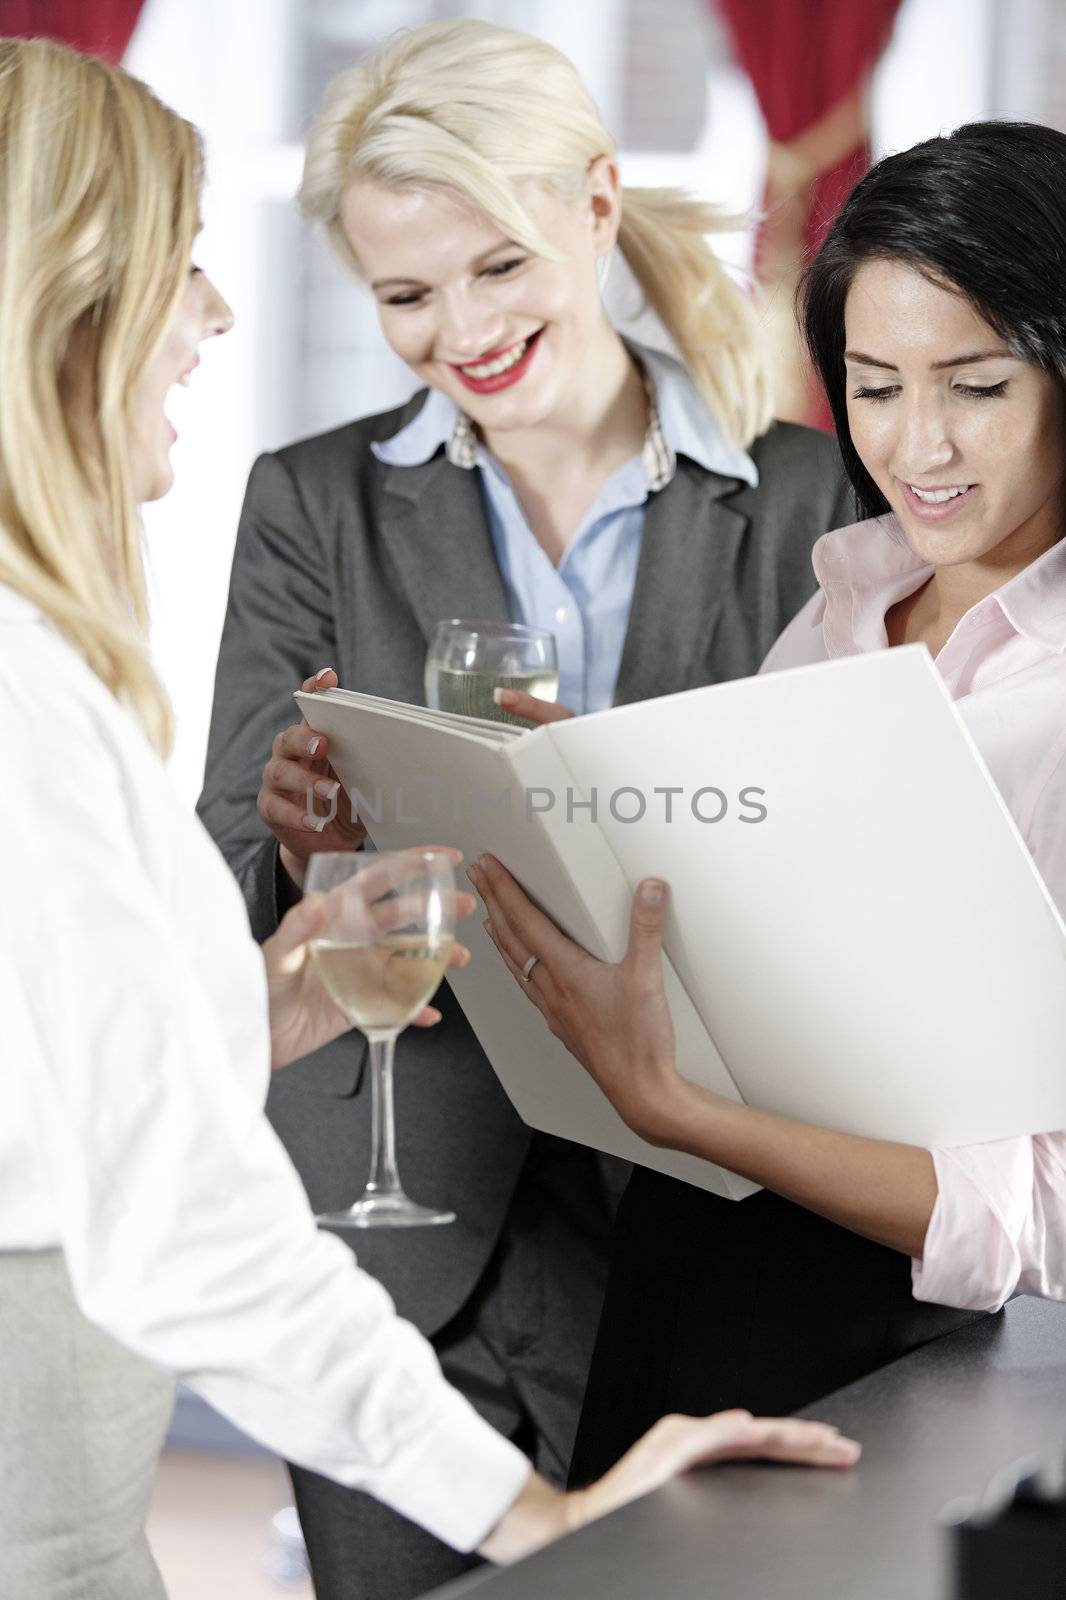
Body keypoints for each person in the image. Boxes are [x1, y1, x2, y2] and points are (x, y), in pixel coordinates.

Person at [0, 37, 861, 1600]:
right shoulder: (275, 522)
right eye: (405, 297)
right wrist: (294, 857)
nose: (457, 332)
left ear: (599, 208)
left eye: (497, 269)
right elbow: (140, 1053)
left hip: (702, 1208)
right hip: (400, 1210)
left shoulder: (815, 497)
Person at [470, 118, 1066, 1484]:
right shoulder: (846, 602)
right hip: (687, 1265)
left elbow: (1037, 1208)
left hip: (906, 1350)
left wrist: (685, 1111)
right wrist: (605, 812)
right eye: (870, 385)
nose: (916, 444)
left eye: (973, 385)